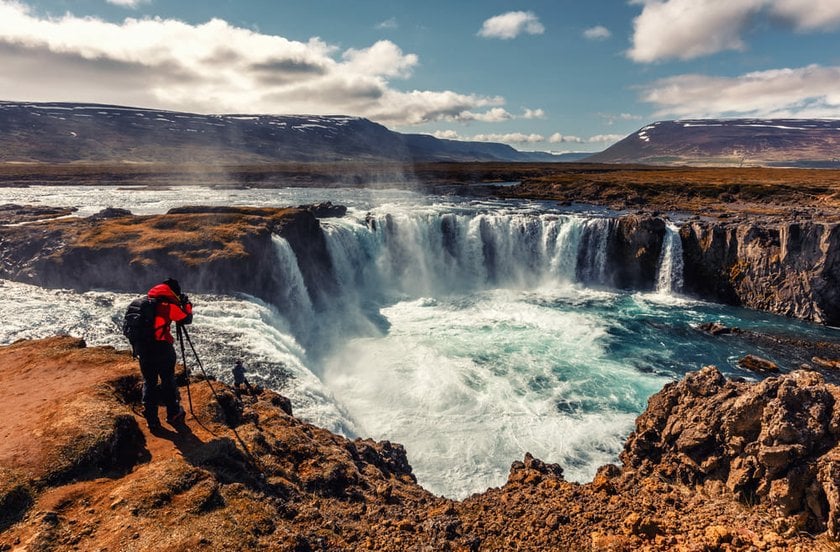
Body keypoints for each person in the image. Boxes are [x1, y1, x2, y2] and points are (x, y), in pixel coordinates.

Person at [138, 278, 192, 428]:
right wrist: (187, 304)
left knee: (149, 382)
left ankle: (151, 419)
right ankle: (173, 414)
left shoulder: (144, 302)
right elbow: (186, 319)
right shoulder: (167, 306)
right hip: (162, 349)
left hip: (144, 350)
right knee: (168, 381)